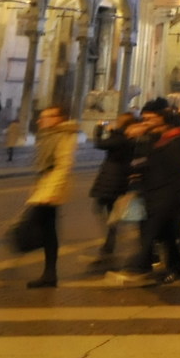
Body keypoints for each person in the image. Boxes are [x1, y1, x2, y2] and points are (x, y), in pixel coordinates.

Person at [119, 105, 180, 287]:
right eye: (145, 119)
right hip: (150, 191)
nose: (146, 122)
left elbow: (173, 165)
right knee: (165, 236)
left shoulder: (179, 137)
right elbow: (135, 156)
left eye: (150, 118)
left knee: (150, 232)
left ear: (163, 119)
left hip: (167, 193)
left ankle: (138, 267)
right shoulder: (155, 137)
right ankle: (175, 270)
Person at [22, 105, 76, 288]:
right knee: (48, 231)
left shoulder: (64, 136)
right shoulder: (48, 135)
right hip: (45, 187)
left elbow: (63, 166)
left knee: (32, 228)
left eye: (47, 116)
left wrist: (50, 193)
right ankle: (50, 274)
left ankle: (48, 272)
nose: (41, 120)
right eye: (42, 116)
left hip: (50, 190)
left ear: (58, 118)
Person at [88, 109, 142, 271]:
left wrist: (99, 129)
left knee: (100, 207)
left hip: (112, 177)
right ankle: (110, 240)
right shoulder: (127, 138)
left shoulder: (120, 137)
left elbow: (99, 144)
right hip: (118, 176)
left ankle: (111, 239)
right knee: (110, 208)